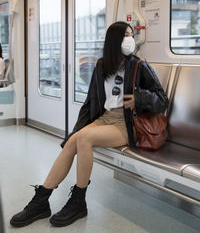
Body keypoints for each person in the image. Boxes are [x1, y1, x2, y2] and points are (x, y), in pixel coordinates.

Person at [10, 21, 169, 228]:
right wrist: (77, 129)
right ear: (114, 41)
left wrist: (139, 97)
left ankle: (78, 202)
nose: (131, 39)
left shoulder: (139, 66)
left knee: (84, 139)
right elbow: (90, 103)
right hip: (105, 119)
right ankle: (41, 201)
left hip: (127, 123)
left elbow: (162, 99)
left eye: (131, 35)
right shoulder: (103, 66)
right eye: (126, 35)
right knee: (73, 141)